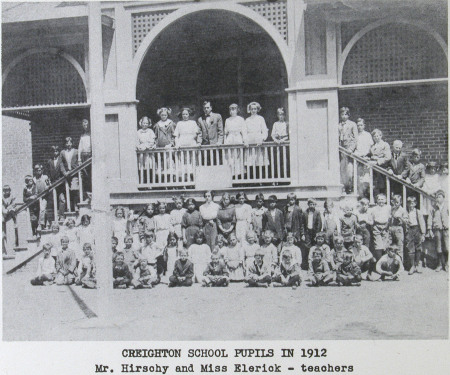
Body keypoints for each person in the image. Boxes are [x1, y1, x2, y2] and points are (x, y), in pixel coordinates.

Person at [427, 190, 449, 272]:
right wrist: (429, 229)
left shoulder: (447, 206)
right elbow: (430, 218)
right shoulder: (433, 207)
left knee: (447, 247)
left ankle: (446, 264)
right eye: (436, 197)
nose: (437, 199)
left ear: (443, 198)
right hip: (437, 230)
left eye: (439, 197)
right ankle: (439, 264)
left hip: (446, 230)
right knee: (438, 248)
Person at [224, 104, 248, 178]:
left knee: (238, 158)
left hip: (238, 138)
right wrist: (225, 142)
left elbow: (244, 131)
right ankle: (231, 176)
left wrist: (245, 141)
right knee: (230, 158)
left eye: (234, 109)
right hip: (230, 139)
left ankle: (239, 177)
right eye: (231, 109)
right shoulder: (227, 120)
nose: (232, 111)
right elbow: (225, 132)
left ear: (237, 110)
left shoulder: (240, 119)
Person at [245, 102, 268, 173]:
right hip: (250, 141)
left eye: (255, 109)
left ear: (257, 109)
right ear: (250, 110)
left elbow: (264, 130)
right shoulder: (247, 120)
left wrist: (262, 138)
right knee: (250, 162)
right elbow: (245, 132)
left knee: (260, 161)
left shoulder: (261, 118)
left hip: (259, 141)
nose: (253, 110)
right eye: (252, 109)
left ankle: (260, 180)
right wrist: (245, 140)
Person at [366, 129, 391, 196]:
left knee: (382, 185)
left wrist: (378, 162)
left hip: (382, 167)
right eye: (374, 136)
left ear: (381, 136)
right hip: (374, 169)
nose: (376, 138)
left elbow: (388, 157)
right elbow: (370, 155)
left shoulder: (385, 145)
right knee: (375, 185)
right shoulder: (372, 146)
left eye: (377, 136)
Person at [338, 107, 358, 194]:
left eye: (346, 114)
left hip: (349, 150)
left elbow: (355, 138)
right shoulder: (338, 125)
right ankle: (343, 188)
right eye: (342, 114)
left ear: (348, 115)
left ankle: (350, 188)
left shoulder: (352, 124)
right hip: (341, 150)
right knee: (342, 170)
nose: (344, 116)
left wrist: (351, 149)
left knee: (350, 171)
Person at [406, 196, 426, 275]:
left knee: (418, 247)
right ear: (407, 204)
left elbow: (422, 223)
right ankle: (412, 266)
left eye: (413, 203)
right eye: (409, 203)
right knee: (410, 248)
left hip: (417, 229)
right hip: (409, 230)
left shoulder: (418, 212)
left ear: (415, 203)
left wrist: (423, 234)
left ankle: (418, 264)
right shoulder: (406, 212)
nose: (411, 205)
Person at [60, 137, 79, 211]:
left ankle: (76, 206)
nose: (68, 144)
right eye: (67, 143)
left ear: (72, 143)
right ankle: (69, 208)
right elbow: (61, 163)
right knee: (67, 192)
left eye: (70, 142)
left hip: (74, 173)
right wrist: (64, 172)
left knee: (74, 189)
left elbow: (78, 161)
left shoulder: (76, 151)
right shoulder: (62, 152)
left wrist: (74, 170)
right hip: (66, 175)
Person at [369, 194, 391, 260]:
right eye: (379, 199)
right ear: (376, 200)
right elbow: (371, 219)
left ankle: (385, 261)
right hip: (376, 226)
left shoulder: (388, 207)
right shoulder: (374, 209)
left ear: (385, 200)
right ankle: (379, 261)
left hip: (386, 227)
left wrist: (387, 225)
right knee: (378, 245)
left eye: (382, 199)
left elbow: (390, 217)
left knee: (385, 244)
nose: (381, 201)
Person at [46, 145, 65, 221]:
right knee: (53, 201)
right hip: (53, 184)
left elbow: (64, 169)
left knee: (62, 199)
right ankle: (54, 217)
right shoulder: (49, 162)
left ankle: (62, 216)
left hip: (60, 183)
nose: (55, 153)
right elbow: (47, 173)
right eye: (53, 151)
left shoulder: (61, 160)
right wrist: (49, 181)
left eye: (56, 151)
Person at [136, 116, 156, 184]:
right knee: (141, 167)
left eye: (146, 123)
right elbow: (136, 141)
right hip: (142, 152)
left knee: (149, 167)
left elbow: (152, 141)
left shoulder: (150, 131)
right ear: (141, 123)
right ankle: (142, 183)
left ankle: (150, 183)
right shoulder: (138, 132)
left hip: (148, 152)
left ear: (149, 124)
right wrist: (139, 147)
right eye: (143, 123)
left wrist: (146, 146)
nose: (145, 125)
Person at [389, 195, 408, 260]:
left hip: (399, 228)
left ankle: (400, 263)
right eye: (394, 202)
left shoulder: (403, 210)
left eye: (397, 202)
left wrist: (400, 218)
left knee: (399, 246)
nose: (395, 204)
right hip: (391, 228)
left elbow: (406, 221)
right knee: (390, 245)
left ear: (400, 202)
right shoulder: (392, 209)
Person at [33, 164, 51, 231]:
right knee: (40, 211)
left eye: (40, 170)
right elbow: (33, 188)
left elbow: (49, 184)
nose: (38, 171)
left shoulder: (45, 177)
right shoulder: (34, 179)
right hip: (37, 197)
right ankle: (47, 223)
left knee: (43, 209)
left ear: (42, 170)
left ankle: (41, 224)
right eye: (37, 170)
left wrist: (47, 187)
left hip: (45, 196)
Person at [78, 118, 92, 201]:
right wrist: (79, 158)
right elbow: (80, 147)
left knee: (90, 175)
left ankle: (91, 193)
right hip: (84, 156)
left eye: (86, 124)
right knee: (85, 176)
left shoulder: (91, 135)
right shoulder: (82, 136)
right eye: (83, 125)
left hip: (90, 156)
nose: (85, 126)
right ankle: (87, 195)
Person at [2, 185, 16, 256]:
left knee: (10, 233)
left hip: (10, 216)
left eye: (7, 190)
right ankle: (4, 250)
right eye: (4, 190)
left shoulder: (12, 197)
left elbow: (13, 205)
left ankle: (11, 249)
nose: (6, 191)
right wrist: (4, 210)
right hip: (3, 216)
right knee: (3, 235)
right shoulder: (2, 198)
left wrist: (8, 209)